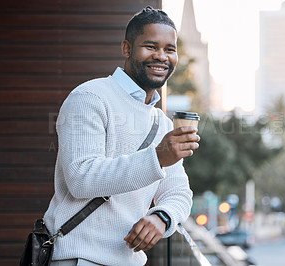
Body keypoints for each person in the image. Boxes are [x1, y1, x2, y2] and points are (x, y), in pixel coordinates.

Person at [43, 6, 200, 266]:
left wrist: (162, 217)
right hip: (78, 258)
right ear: (127, 49)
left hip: (129, 261)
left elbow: (178, 192)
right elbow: (81, 178)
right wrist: (158, 157)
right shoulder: (90, 97)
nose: (161, 56)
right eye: (150, 46)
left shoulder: (161, 122)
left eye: (169, 49)